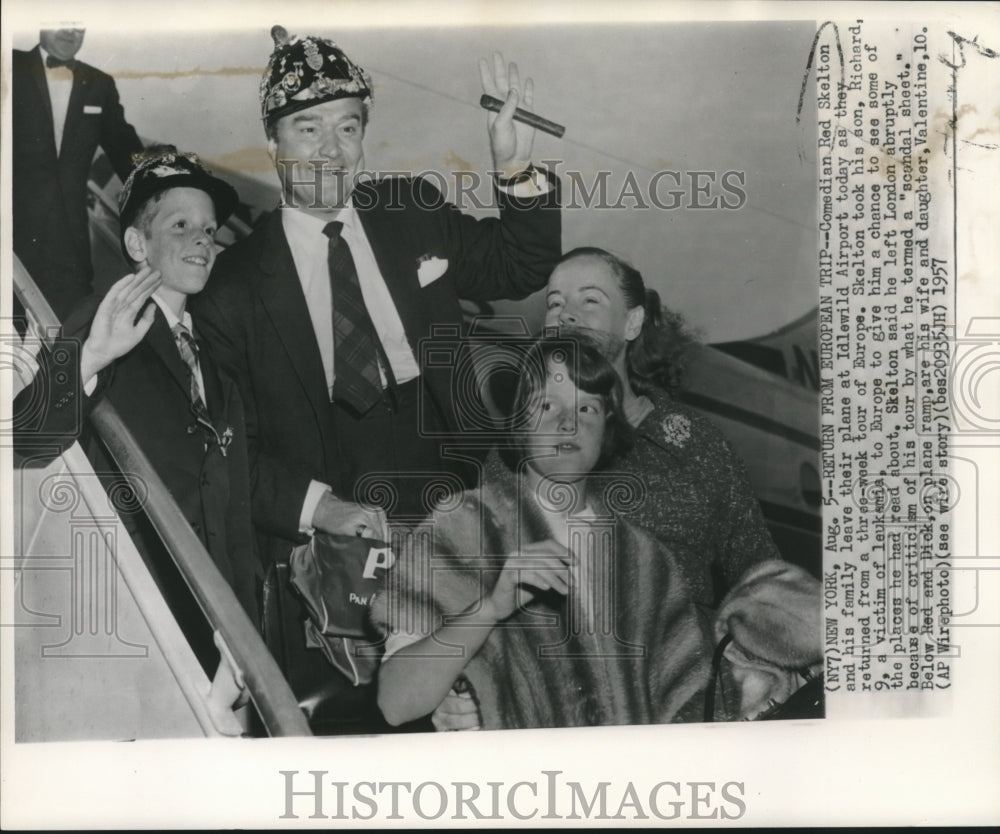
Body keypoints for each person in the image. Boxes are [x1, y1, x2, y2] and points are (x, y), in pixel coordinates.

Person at [194, 27, 561, 569]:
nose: (331, 149)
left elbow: (521, 264)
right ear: (273, 145)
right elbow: (226, 448)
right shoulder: (230, 287)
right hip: (333, 512)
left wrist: (513, 169)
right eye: (307, 128)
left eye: (348, 126)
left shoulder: (411, 211)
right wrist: (322, 509)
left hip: (452, 484)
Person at [373, 338, 713, 729]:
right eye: (548, 405)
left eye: (586, 408)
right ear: (520, 424)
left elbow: (686, 716)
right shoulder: (461, 525)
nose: (568, 423)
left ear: (607, 428)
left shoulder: (647, 564)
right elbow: (395, 701)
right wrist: (490, 609)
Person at [15, 147, 261, 665]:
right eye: (179, 225)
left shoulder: (214, 362)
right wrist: (93, 356)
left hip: (214, 626)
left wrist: (247, 631)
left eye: (210, 230)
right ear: (135, 242)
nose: (202, 240)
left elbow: (232, 508)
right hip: (132, 619)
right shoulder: (100, 326)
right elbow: (24, 439)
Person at [544, 247, 782, 608]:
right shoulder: (519, 445)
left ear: (632, 323)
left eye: (590, 300)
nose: (567, 316)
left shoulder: (697, 444)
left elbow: (764, 582)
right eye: (554, 303)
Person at [13, 26, 143, 321]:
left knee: (72, 327)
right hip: (11, 230)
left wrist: (166, 187)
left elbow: (126, 152)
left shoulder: (100, 84)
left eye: (78, 22)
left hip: (69, 238)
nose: (70, 30)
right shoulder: (8, 66)